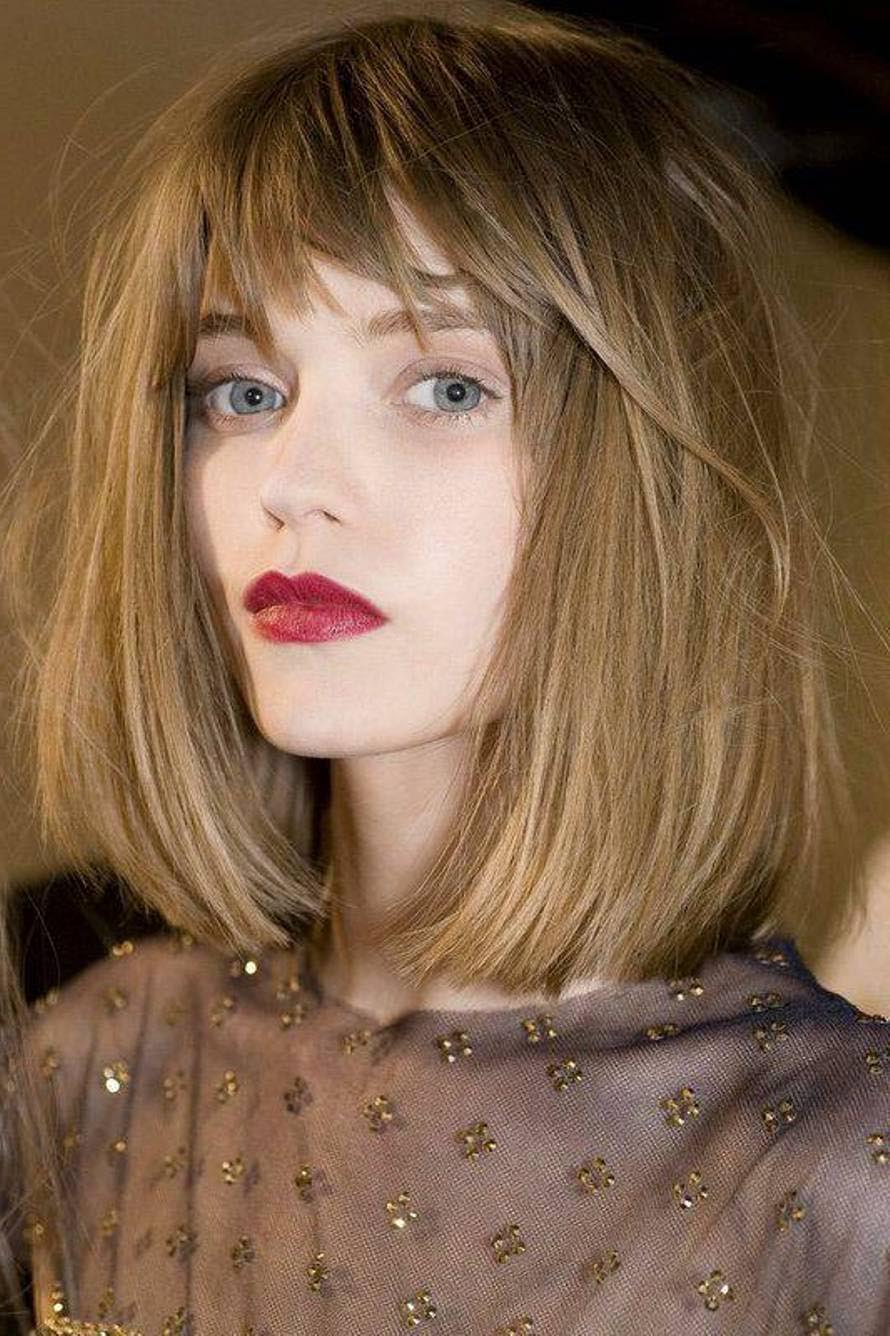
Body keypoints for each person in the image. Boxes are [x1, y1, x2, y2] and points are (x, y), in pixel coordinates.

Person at [1, 3, 887, 1332]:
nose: (290, 482)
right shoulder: (84, 1071)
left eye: (445, 387)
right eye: (242, 392)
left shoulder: (836, 1168)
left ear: (649, 475)